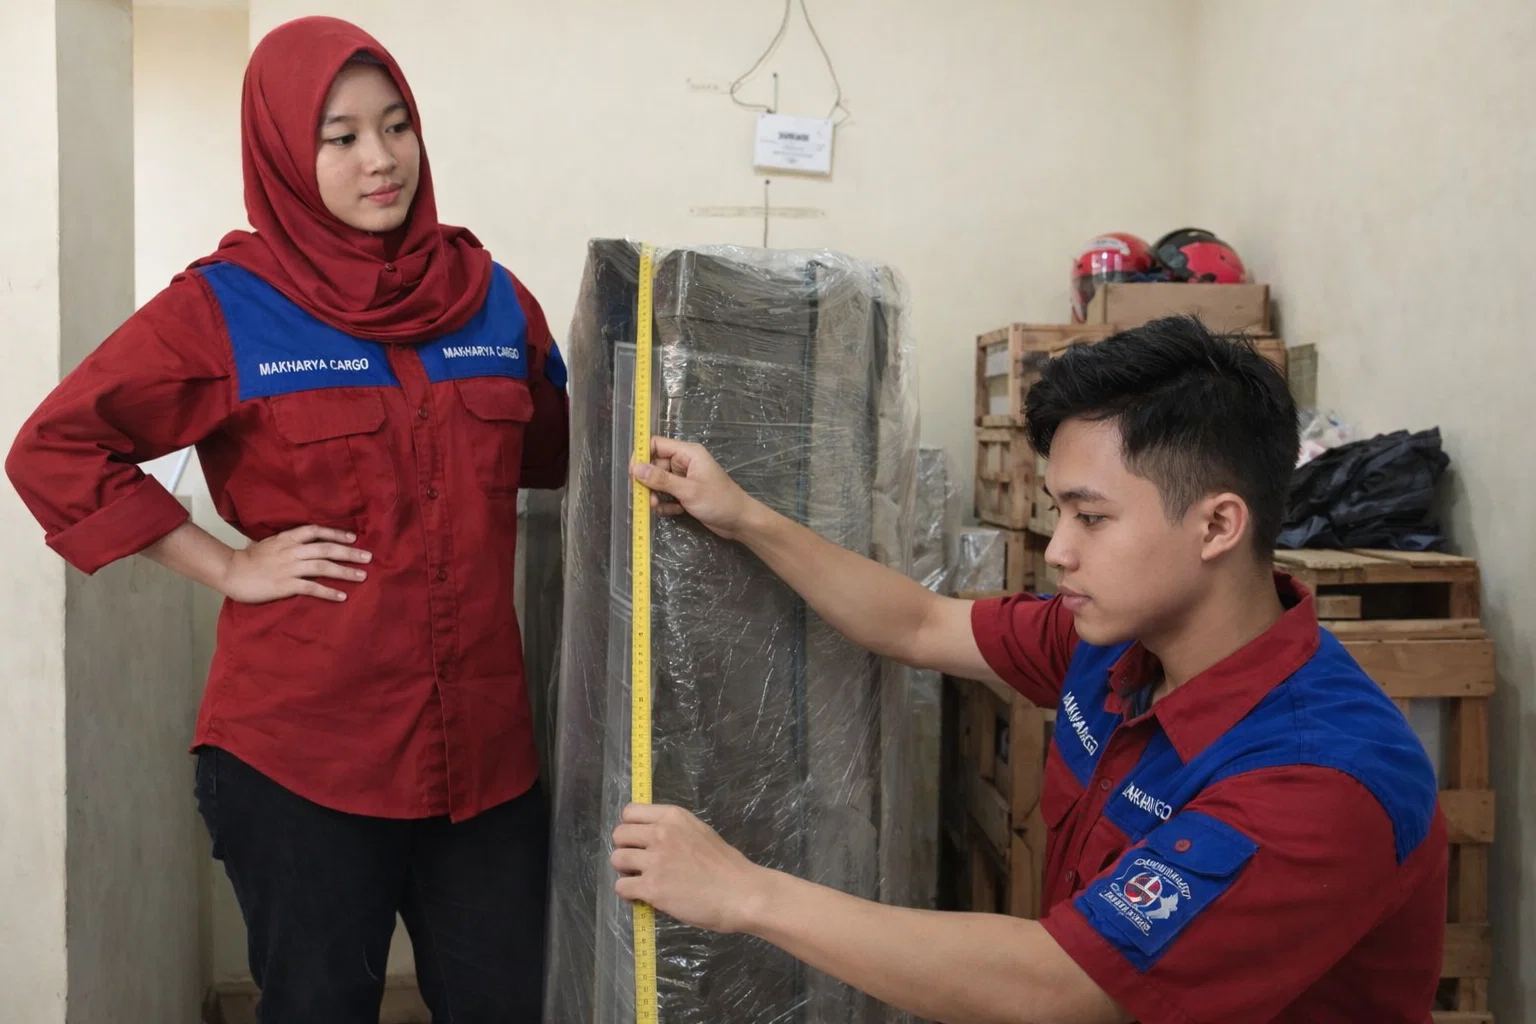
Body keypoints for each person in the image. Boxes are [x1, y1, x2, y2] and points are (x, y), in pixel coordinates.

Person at [614, 316, 1448, 1024]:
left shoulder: (1320, 779)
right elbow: (916, 621)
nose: (1060, 553)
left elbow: (1061, 983)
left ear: (1218, 524)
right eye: (1058, 514)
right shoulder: (1120, 647)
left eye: (1092, 517)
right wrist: (746, 517)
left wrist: (746, 895)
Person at [6, 17, 566, 1023]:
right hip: (304, 757)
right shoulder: (226, 308)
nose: (381, 159)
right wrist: (225, 565)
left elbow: (563, 456)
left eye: (397, 126)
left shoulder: (494, 301)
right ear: (282, 151)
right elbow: (54, 447)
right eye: (340, 136)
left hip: (483, 761)